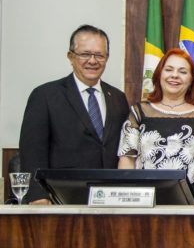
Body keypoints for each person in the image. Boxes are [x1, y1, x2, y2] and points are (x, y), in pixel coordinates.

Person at [19, 25, 129, 204]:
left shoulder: (118, 98)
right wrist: (38, 196)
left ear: (107, 58)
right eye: (85, 54)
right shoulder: (45, 96)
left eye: (99, 55)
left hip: (110, 198)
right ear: (70, 56)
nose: (93, 61)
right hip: (62, 197)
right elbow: (32, 151)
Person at [118, 49, 194, 197]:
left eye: (182, 72)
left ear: (191, 79)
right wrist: (126, 200)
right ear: (159, 75)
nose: (174, 75)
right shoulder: (138, 112)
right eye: (168, 69)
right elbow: (127, 159)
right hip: (146, 200)